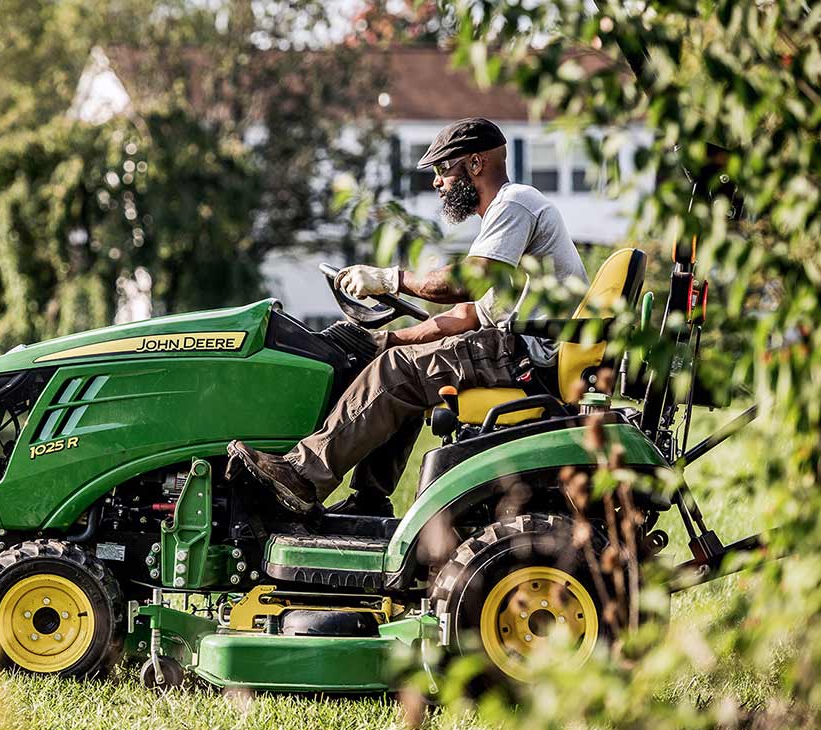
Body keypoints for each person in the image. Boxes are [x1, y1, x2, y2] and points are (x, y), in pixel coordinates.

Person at [229, 118, 589, 515]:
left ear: (475, 164)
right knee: (398, 364)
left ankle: (304, 473)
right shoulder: (507, 218)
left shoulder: (514, 203)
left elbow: (465, 284)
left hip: (526, 355)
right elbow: (469, 315)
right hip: (519, 348)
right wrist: (387, 340)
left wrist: (388, 279)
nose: (437, 182)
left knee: (396, 372)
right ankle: (369, 500)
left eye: (442, 169)